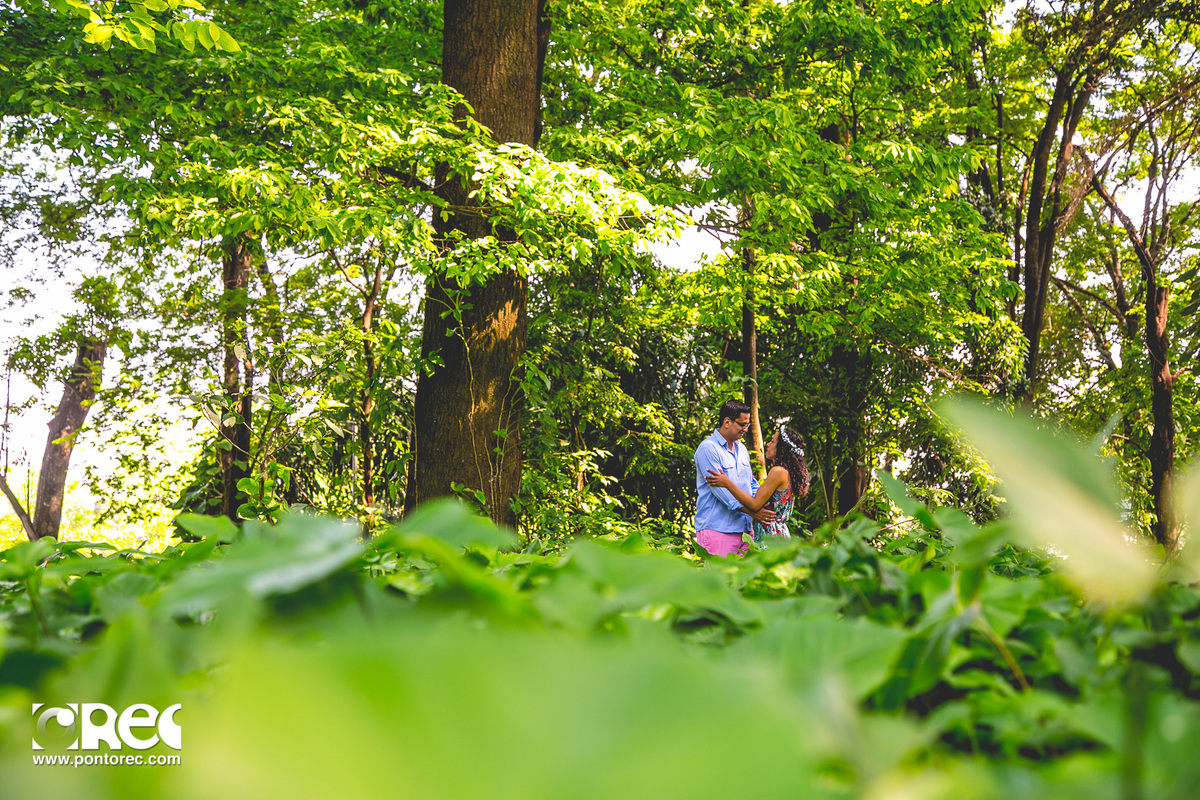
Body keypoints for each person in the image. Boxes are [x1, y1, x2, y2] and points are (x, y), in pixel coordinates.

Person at [693, 400, 775, 556]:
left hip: (745, 531)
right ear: (727, 422)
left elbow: (750, 483)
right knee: (719, 573)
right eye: (742, 425)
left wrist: (764, 502)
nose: (745, 429)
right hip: (718, 530)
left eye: (747, 425)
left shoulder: (742, 449)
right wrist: (754, 512)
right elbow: (722, 493)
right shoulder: (708, 448)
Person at [706, 425, 809, 545]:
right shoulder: (787, 473)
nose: (768, 444)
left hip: (770, 535)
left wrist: (727, 483)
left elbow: (755, 505)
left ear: (782, 448)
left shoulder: (778, 472)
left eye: (772, 441)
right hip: (778, 533)